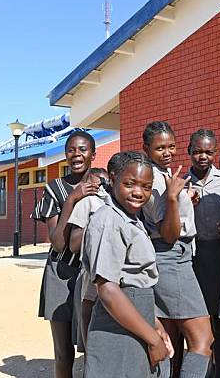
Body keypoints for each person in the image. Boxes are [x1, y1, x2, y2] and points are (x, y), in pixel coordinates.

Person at [82, 151, 173, 378]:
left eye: (146, 186)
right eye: (130, 184)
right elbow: (108, 289)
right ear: (112, 179)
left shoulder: (130, 218)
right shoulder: (108, 220)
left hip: (137, 319)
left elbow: (137, 280)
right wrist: (152, 339)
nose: (138, 193)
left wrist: (155, 325)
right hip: (117, 326)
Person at [142, 121, 214, 378]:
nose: (167, 152)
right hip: (171, 258)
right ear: (146, 149)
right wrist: (173, 197)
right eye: (160, 147)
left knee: (169, 337)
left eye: (171, 146)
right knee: (203, 340)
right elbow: (170, 233)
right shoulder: (157, 181)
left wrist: (184, 197)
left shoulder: (165, 175)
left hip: (175, 257)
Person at [32, 130, 100, 378]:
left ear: (93, 153)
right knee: (63, 352)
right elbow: (58, 243)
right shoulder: (55, 190)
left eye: (83, 149)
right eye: (71, 149)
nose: (77, 154)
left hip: (92, 273)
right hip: (61, 273)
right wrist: (72, 199)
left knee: (93, 346)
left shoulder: (104, 186)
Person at [186, 129, 220, 378]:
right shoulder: (181, 184)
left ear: (215, 153)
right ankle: (201, 368)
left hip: (219, 255)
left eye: (208, 152)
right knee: (194, 317)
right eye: (197, 151)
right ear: (189, 152)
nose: (202, 156)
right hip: (192, 257)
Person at [67, 167, 110, 350]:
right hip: (93, 267)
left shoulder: (117, 202)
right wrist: (97, 225)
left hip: (115, 268)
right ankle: (90, 354)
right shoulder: (88, 203)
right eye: (94, 182)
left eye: (103, 182)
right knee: (89, 309)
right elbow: (74, 244)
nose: (99, 186)